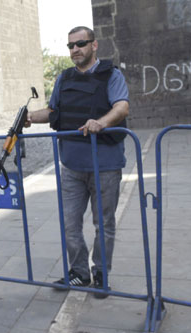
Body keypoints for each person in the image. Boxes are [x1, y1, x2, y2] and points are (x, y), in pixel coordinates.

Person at [25, 26, 129, 298]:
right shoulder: (64, 78)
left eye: (80, 44)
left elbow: (121, 107)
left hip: (105, 165)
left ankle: (101, 273)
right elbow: (52, 111)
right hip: (71, 165)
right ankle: (80, 272)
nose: (75, 49)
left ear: (94, 45)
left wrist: (101, 122)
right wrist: (29, 118)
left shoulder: (111, 75)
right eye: (70, 45)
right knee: (70, 224)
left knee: (103, 224)